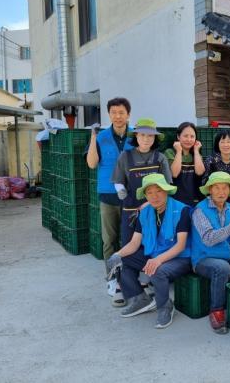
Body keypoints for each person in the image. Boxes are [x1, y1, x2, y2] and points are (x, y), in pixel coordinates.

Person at [106, 174, 192, 329]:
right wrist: (117, 254)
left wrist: (158, 260)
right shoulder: (145, 212)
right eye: (149, 192)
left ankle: (165, 307)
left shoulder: (181, 210)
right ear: (145, 195)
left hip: (179, 257)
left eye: (158, 191)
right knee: (121, 261)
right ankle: (140, 299)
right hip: (154, 254)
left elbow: (180, 246)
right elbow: (134, 243)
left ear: (166, 191)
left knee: (158, 271)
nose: (154, 196)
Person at [86, 97, 133, 306]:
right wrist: (92, 137)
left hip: (131, 196)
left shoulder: (135, 135)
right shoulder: (101, 136)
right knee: (110, 240)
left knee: (130, 240)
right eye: (113, 112)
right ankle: (113, 279)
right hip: (108, 195)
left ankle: (130, 279)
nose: (117, 116)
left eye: (121, 112)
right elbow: (91, 163)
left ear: (128, 114)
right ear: (109, 115)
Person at [191, 172, 230, 334]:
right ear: (210, 190)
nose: (221, 192)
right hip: (203, 258)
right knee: (222, 268)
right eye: (216, 188)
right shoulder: (200, 210)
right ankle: (216, 310)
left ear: (229, 190)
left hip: (226, 255)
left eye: (225, 188)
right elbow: (208, 239)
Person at [112, 119, 172, 250]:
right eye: (142, 135)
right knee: (129, 246)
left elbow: (167, 185)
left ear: (155, 138)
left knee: (154, 246)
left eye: (150, 135)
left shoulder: (160, 158)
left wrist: (150, 203)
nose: (146, 139)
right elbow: (118, 181)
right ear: (136, 136)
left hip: (155, 209)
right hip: (131, 210)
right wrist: (122, 193)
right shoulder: (125, 157)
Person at [165, 122, 205, 207]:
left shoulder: (197, 154)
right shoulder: (170, 152)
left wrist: (196, 151)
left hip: (194, 199)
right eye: (185, 136)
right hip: (175, 200)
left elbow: (200, 172)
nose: (189, 139)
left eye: (192, 136)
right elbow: (174, 173)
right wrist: (179, 151)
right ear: (178, 136)